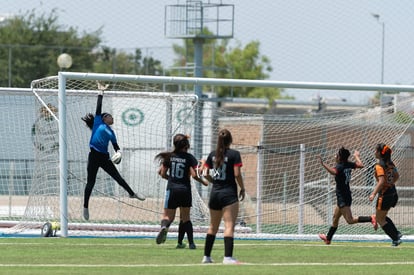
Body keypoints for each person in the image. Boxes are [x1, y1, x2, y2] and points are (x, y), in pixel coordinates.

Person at [81, 83, 145, 221]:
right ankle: (85, 206)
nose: (112, 118)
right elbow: (98, 107)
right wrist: (100, 92)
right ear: (104, 118)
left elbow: (115, 146)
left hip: (104, 157)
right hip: (94, 156)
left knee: (118, 177)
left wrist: (119, 153)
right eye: (110, 116)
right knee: (90, 182)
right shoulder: (98, 122)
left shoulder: (111, 132)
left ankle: (131, 194)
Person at [154, 134, 208, 249]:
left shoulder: (169, 157)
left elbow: (162, 173)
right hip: (185, 190)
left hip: (172, 189)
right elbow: (195, 174)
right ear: (187, 145)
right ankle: (191, 243)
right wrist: (203, 164)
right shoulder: (189, 158)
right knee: (185, 218)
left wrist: (172, 179)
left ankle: (164, 227)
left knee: (168, 216)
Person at [201, 128, 245, 265]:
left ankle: (206, 257)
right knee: (229, 225)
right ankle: (227, 258)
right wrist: (242, 188)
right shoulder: (235, 154)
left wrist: (213, 181)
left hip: (215, 193)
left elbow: (205, 172)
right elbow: (237, 174)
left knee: (212, 227)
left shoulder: (212, 154)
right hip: (228, 194)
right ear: (230, 140)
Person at [318, 147, 377, 245]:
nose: (335, 156)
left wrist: (323, 164)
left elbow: (333, 172)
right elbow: (361, 165)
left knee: (349, 220)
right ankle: (328, 239)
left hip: (343, 197)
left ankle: (371, 218)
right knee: (335, 218)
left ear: (340, 157)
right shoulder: (348, 164)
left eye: (336, 155)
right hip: (345, 195)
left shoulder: (340, 166)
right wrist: (357, 156)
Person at [369, 144, 402, 246]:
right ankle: (397, 233)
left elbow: (381, 181)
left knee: (380, 219)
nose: (374, 152)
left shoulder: (379, 166)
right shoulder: (391, 164)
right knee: (382, 216)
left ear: (380, 153)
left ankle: (395, 238)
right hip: (393, 192)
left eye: (375, 150)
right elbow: (396, 176)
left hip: (385, 194)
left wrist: (373, 193)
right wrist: (391, 184)